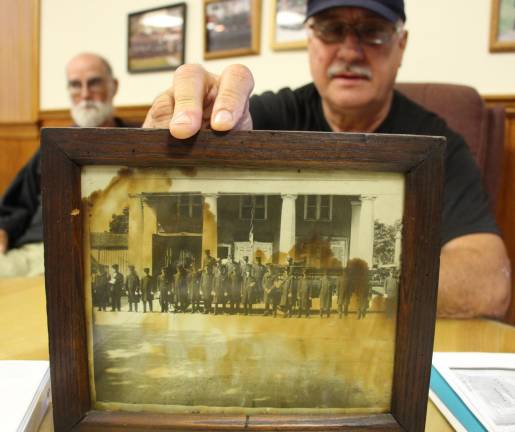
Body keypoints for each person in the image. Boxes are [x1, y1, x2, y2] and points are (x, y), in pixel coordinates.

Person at [142, 0, 511, 319]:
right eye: (332, 29)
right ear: (310, 40)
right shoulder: (257, 121)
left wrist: (355, 280)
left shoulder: (437, 143)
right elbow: (158, 201)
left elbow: (489, 283)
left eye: (373, 31)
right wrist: (169, 147)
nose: (350, 51)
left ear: (402, 44)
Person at [0, 52, 129, 278]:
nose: (86, 94)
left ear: (114, 86)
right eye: (76, 86)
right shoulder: (52, 146)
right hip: (34, 251)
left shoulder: (136, 143)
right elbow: (18, 204)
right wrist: (4, 230)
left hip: (100, 255)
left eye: (94, 83)